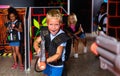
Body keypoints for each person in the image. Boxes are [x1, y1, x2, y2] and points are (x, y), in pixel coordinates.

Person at [33, 9, 70, 76]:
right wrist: (37, 48)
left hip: (57, 65)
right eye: (51, 24)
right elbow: (36, 41)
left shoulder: (62, 36)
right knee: (46, 74)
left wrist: (44, 61)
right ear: (47, 24)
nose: (53, 27)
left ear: (60, 24)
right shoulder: (45, 31)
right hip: (47, 62)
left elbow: (58, 55)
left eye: (56, 24)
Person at [5, 7, 24, 71]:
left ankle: (21, 64)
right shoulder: (8, 23)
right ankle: (15, 63)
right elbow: (7, 31)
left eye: (13, 16)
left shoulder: (18, 22)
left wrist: (15, 28)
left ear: (15, 16)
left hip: (17, 39)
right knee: (13, 52)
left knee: (17, 52)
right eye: (10, 16)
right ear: (9, 17)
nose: (12, 17)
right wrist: (8, 29)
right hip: (11, 39)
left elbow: (21, 30)